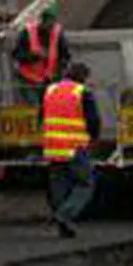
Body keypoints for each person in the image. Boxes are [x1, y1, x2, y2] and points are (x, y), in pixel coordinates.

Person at [40, 62, 100, 238]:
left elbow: (41, 117)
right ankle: (64, 215)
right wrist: (93, 139)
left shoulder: (50, 91)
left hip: (52, 147)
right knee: (85, 183)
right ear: (83, 77)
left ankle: (63, 224)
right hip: (74, 146)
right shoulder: (82, 93)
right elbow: (93, 121)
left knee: (60, 185)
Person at [14, 2, 70, 106]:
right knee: (35, 109)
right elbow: (17, 55)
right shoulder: (27, 31)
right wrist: (34, 57)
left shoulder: (57, 32)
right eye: (46, 22)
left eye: (51, 22)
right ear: (40, 20)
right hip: (29, 80)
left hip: (49, 80)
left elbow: (65, 56)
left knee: (50, 109)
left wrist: (59, 71)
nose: (49, 26)